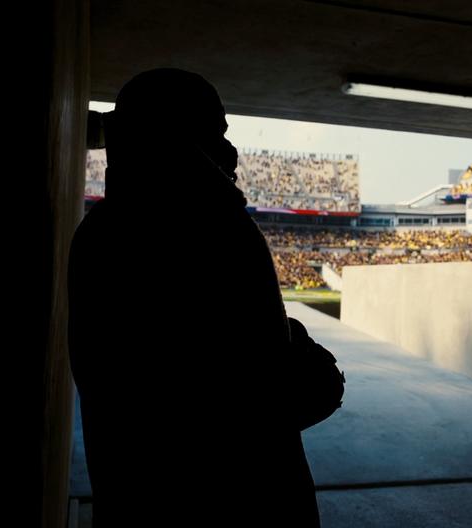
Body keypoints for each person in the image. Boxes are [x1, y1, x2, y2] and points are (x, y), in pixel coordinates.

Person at [68, 68, 337, 526]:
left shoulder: (102, 228)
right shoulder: (213, 229)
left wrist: (279, 340)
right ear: (175, 133)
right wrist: (313, 367)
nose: (229, 149)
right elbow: (246, 408)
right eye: (216, 131)